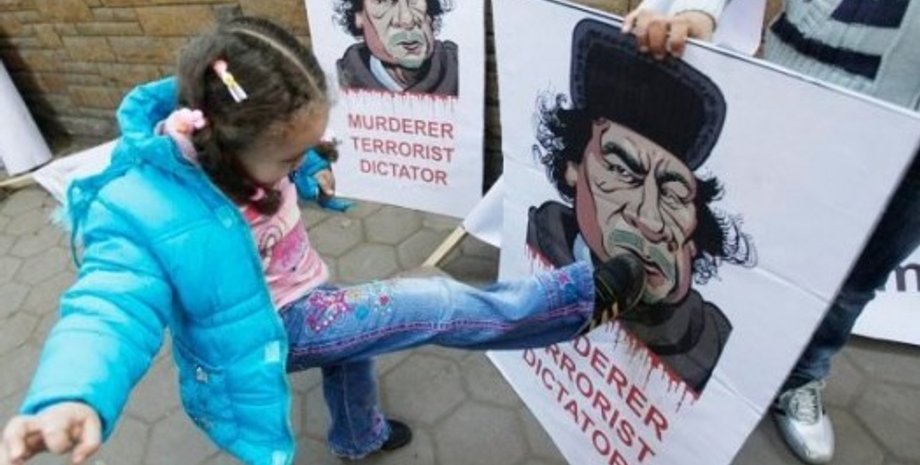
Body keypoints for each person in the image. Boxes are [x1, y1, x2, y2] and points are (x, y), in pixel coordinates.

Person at [0, 16, 646, 465]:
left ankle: (358, 437)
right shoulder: (141, 208)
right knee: (434, 303)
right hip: (273, 329)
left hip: (308, 289)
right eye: (289, 159)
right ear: (227, 147)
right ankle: (577, 301)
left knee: (355, 350)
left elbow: (282, 147)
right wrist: (71, 392)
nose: (299, 166)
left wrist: (306, 167)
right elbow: (109, 306)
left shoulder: (240, 127)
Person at [623, 1, 920, 463]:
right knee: (750, 237)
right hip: (822, 76)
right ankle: (695, 364)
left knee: (861, 275)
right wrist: (697, 9)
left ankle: (802, 377)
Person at [528, 19, 756, 394]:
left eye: (674, 193)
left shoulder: (714, 344)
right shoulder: (533, 255)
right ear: (573, 168)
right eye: (622, 170)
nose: (650, 218)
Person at [334, 0, 458, 96]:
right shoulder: (337, 83)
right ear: (359, 16)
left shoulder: (459, 68)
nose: (407, 20)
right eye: (384, 2)